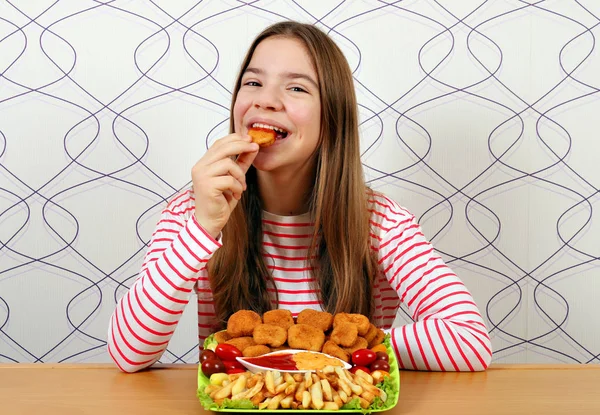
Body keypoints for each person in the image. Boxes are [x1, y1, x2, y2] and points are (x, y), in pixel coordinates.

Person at [107, 21, 492, 373]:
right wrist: (204, 227)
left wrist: (331, 347)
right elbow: (128, 353)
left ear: (332, 118)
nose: (266, 100)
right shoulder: (195, 212)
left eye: (296, 87)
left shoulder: (380, 222)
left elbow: (469, 339)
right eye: (253, 83)